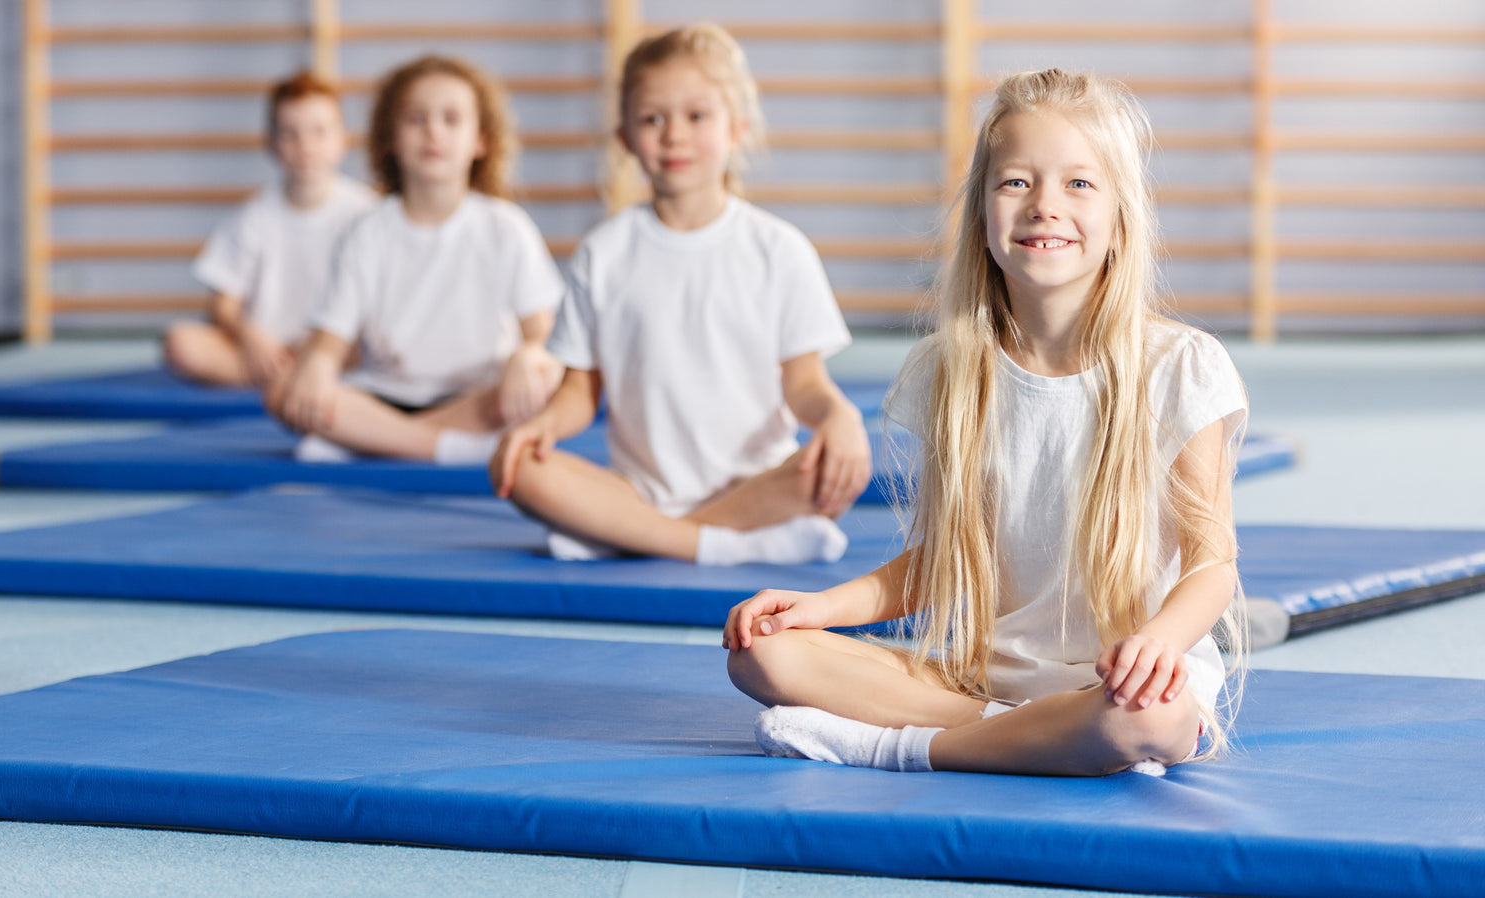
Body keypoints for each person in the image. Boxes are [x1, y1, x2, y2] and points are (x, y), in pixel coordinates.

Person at [723, 69, 1250, 776]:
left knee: (1146, 720)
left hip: (1124, 686)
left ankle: (895, 747)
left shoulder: (1183, 365)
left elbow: (1211, 566)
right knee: (763, 654)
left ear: (1122, 218)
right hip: (983, 683)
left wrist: (1158, 641)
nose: (1044, 206)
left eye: (1079, 184)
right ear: (980, 216)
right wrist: (821, 607)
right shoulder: (951, 371)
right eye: (1016, 183)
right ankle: (1030, 733)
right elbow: (937, 565)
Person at [489, 24, 870, 565]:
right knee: (522, 468)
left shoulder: (778, 249)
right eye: (652, 119)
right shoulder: (604, 252)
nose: (674, 135)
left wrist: (839, 416)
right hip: (640, 492)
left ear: (737, 128)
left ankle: (637, 536)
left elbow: (805, 384)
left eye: (696, 116)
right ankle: (711, 543)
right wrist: (540, 426)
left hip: (759, 486)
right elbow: (579, 393)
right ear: (624, 138)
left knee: (830, 471)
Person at [268, 56, 565, 463]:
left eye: (451, 119)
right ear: (390, 138)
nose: (433, 132)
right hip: (386, 395)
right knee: (285, 388)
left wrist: (526, 356)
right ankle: (445, 447)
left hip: (480, 398)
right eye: (416, 119)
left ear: (481, 140)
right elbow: (328, 344)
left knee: (545, 380)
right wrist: (317, 366)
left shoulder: (506, 227)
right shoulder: (367, 232)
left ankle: (382, 442)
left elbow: (544, 335)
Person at [165, 71, 376, 388]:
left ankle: (302, 375)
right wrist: (251, 337)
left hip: (332, 346)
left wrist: (323, 341)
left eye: (319, 132)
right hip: (265, 353)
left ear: (342, 141)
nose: (305, 145)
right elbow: (223, 305)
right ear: (272, 144)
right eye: (290, 133)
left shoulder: (365, 212)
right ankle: (292, 378)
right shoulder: (253, 216)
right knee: (181, 343)